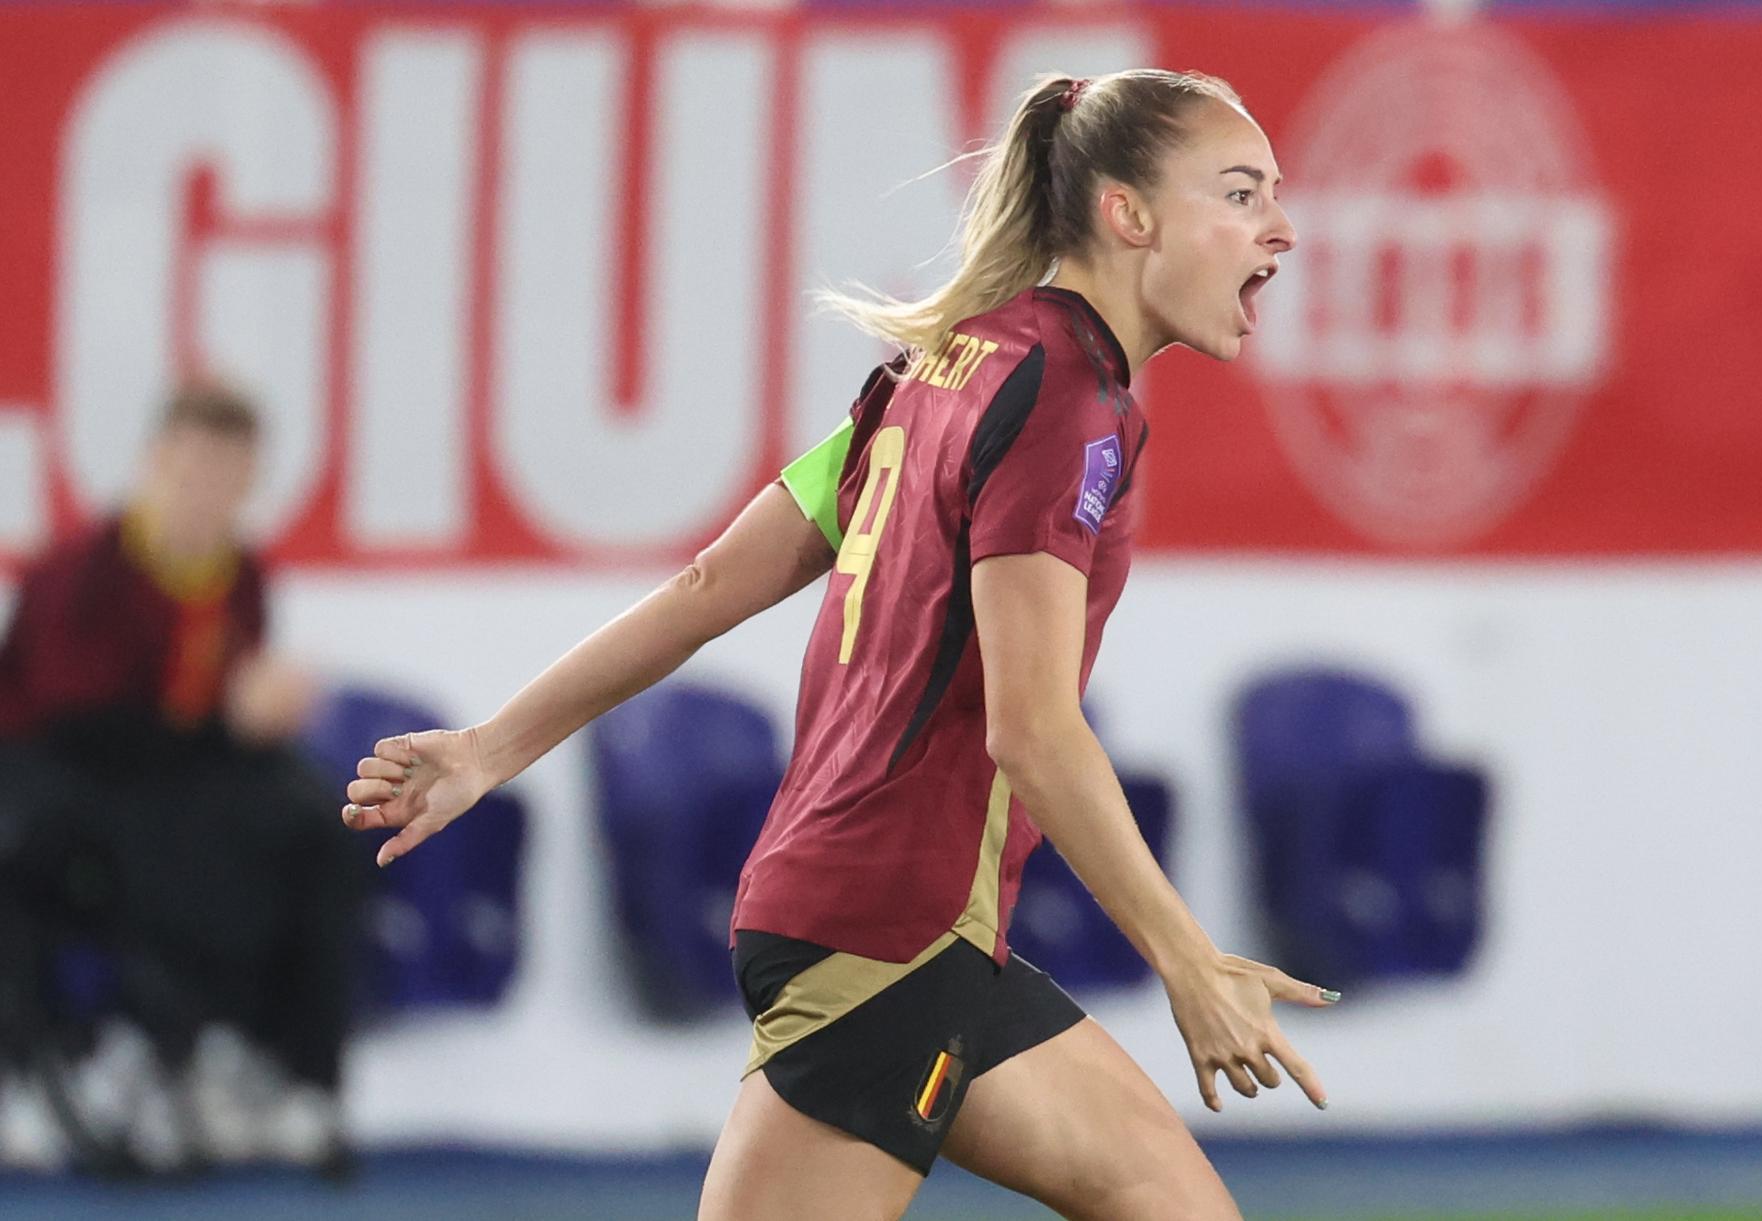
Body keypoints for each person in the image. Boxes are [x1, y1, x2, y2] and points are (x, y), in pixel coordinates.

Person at [341, 69, 1335, 1219]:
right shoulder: (1071, 404)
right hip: (889, 937)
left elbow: (712, 580)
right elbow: (1034, 730)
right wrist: (1187, 959)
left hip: (899, 928)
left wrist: (489, 748)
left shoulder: (942, 370)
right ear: (1129, 213)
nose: (1281, 226)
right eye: (1240, 191)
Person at [0, 382, 357, 1172]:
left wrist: (262, 715)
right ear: (156, 464)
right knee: (167, 842)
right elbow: (72, 716)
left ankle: (293, 1077)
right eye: (195, 468)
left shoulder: (242, 578)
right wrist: (227, 713)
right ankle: (152, 1049)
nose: (209, 490)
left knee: (318, 824)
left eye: (230, 473)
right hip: (55, 774)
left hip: (176, 771)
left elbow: (215, 725)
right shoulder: (85, 569)